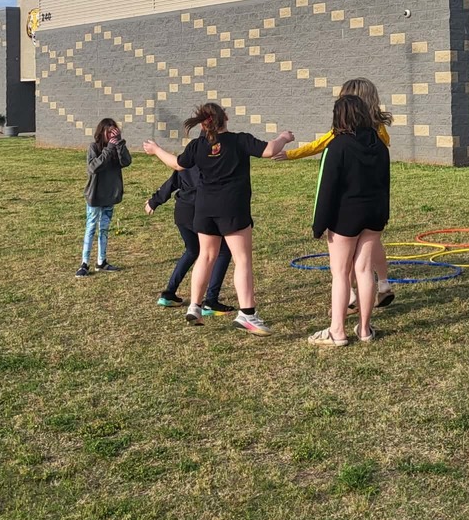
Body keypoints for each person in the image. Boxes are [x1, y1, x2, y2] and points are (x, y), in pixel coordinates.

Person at [143, 103, 294, 334]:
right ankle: (248, 315)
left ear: (203, 123)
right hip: (232, 207)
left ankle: (194, 306)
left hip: (204, 208)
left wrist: (155, 149)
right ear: (226, 118)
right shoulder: (239, 140)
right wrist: (284, 137)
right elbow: (270, 150)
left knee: (206, 255)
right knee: (242, 259)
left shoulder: (197, 146)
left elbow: (176, 164)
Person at [278, 76, 395, 310]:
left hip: (349, 204)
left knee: (346, 261)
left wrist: (292, 154)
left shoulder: (343, 136)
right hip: (374, 202)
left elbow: (321, 145)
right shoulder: (378, 133)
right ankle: (382, 285)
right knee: (370, 247)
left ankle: (348, 299)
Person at [308, 95, 390, 346]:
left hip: (345, 217)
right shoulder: (379, 144)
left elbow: (326, 188)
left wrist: (318, 224)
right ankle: (364, 329)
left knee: (341, 274)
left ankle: (337, 331)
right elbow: (385, 182)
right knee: (365, 270)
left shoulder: (337, 147)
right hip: (374, 215)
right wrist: (383, 214)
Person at [146, 168, 234, 316]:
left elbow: (172, 182)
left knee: (193, 250)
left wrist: (154, 201)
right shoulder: (211, 159)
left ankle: (169, 293)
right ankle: (211, 301)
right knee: (223, 251)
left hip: (182, 212)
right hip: (202, 213)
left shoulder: (188, 158)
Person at [76, 118, 132, 277]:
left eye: (114, 132)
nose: (111, 136)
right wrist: (109, 149)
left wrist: (120, 144)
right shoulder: (94, 147)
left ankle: (102, 261)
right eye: (109, 133)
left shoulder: (116, 147)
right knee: (91, 227)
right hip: (95, 195)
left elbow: (126, 162)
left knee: (104, 228)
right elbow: (93, 167)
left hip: (110, 195)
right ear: (102, 133)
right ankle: (84, 263)